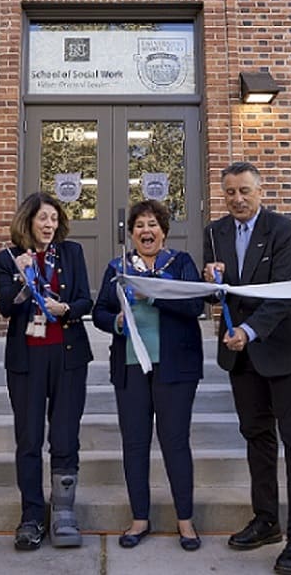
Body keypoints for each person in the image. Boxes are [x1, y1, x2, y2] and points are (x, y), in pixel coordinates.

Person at [202, 161, 291, 574]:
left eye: (244, 191)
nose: (237, 199)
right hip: (240, 355)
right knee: (257, 437)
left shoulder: (285, 231)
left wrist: (250, 331)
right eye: (230, 192)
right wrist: (211, 281)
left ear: (260, 190)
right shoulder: (214, 234)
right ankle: (266, 519)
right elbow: (219, 295)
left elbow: (285, 295)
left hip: (281, 348)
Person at [92, 199, 204, 552]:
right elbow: (100, 312)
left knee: (174, 442)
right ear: (132, 234)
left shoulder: (182, 263)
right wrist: (116, 321)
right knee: (135, 444)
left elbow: (194, 306)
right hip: (130, 368)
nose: (146, 231)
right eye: (139, 225)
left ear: (164, 231)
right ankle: (140, 518)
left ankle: (185, 520)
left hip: (175, 368)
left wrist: (152, 296)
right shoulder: (118, 267)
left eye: (152, 224)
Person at [0, 192, 93, 550]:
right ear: (28, 222)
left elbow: (86, 300)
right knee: (29, 439)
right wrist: (22, 281)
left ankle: (64, 514)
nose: (49, 224)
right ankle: (32, 516)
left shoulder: (72, 253)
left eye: (54, 218)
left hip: (67, 357)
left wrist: (65, 306)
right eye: (43, 218)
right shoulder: (7, 259)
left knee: (65, 436)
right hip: (26, 360)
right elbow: (5, 307)